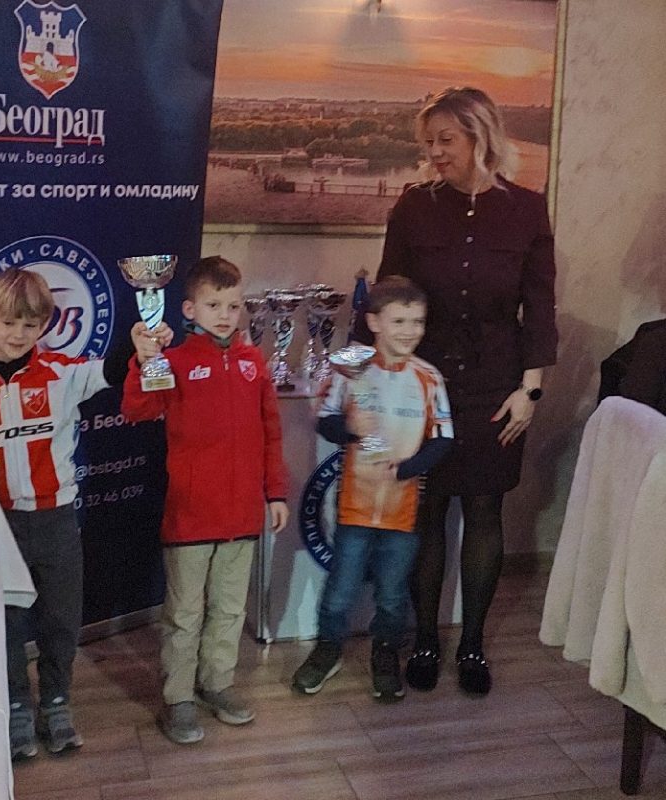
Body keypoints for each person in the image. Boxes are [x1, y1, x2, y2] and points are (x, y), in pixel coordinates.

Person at [374, 87, 558, 695]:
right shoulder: (413, 207)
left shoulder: (528, 210)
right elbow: (388, 294)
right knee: (425, 511)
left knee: (483, 509)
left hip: (497, 389)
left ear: (480, 137)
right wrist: (368, 378)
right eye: (427, 141)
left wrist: (530, 391)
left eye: (445, 140)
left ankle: (473, 645)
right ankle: (426, 640)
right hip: (422, 386)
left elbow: (540, 308)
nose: (434, 152)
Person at [0, 267, 169, 759]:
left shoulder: (60, 372)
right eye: (8, 323)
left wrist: (140, 344)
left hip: (56, 519)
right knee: (6, 621)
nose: (18, 334)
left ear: (45, 326)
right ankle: (14, 705)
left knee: (61, 618)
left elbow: (111, 369)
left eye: (30, 325)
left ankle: (55, 701)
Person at [121, 255, 289, 745]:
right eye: (214, 305)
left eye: (233, 306)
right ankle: (178, 698)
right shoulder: (174, 361)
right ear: (189, 309)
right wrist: (143, 359)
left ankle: (216, 684)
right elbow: (136, 409)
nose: (225, 315)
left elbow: (271, 433)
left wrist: (275, 493)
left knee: (230, 610)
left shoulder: (253, 363)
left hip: (242, 517)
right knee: (185, 614)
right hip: (191, 517)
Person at [292, 276, 453, 701]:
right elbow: (325, 421)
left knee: (393, 593)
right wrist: (349, 427)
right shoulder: (351, 365)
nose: (410, 331)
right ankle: (328, 649)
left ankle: (385, 652)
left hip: (403, 510)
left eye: (418, 322)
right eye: (399, 321)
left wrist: (407, 469)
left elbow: (443, 440)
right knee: (341, 588)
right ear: (374, 322)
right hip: (356, 506)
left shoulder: (429, 377)